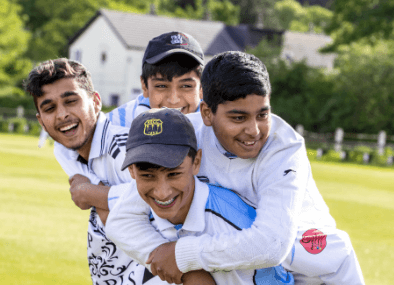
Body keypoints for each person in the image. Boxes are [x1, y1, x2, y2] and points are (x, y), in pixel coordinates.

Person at [106, 51, 365, 285]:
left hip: (313, 268)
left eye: (262, 115)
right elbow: (121, 219)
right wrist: (178, 264)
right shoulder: (186, 135)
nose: (253, 131)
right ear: (207, 113)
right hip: (240, 267)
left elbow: (272, 245)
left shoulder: (283, 147)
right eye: (238, 117)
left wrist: (182, 256)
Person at [23, 58, 208, 285]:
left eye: (71, 101)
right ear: (41, 121)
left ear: (96, 102)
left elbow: (166, 213)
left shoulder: (124, 149)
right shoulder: (64, 150)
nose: (62, 115)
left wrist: (95, 195)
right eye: (50, 108)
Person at [117, 107, 295, 284]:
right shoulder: (139, 214)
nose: (162, 193)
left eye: (174, 174)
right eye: (147, 176)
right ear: (132, 171)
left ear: (196, 162)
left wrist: (182, 258)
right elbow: (118, 222)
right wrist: (188, 273)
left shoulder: (237, 225)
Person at [53, 31, 205, 220]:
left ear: (201, 88)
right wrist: (89, 186)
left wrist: (97, 195)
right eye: (161, 86)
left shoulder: (216, 124)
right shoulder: (119, 122)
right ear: (144, 86)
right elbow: (66, 146)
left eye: (186, 86)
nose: (173, 99)